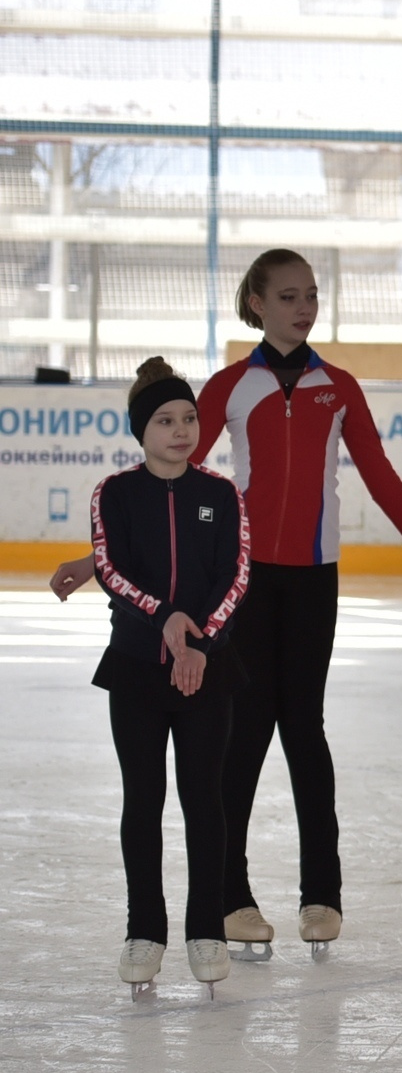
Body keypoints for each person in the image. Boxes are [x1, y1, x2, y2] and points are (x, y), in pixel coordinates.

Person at [46, 250, 402, 961]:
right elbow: (171, 481)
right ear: (256, 303)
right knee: (244, 732)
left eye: (311, 295)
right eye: (288, 296)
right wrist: (92, 560)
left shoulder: (338, 387)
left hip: (314, 578)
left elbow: (381, 477)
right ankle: (231, 897)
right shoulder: (232, 384)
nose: (303, 307)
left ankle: (322, 893)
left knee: (304, 727)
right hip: (242, 586)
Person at [83, 358, 252, 997]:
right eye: (164, 421)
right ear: (141, 430)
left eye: (189, 418)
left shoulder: (222, 495)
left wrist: (198, 640)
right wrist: (165, 618)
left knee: (204, 800)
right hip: (137, 670)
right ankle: (143, 931)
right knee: (143, 799)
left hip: (206, 668)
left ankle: (206, 929)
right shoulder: (114, 493)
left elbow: (236, 576)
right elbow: (111, 570)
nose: (180, 431)